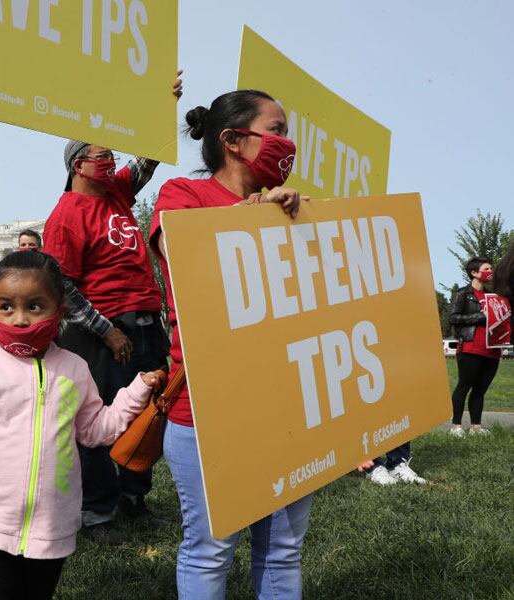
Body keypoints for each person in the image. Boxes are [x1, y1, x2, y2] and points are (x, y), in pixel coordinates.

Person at [150, 90, 312, 599]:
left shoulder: (289, 209)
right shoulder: (183, 194)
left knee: (282, 548)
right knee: (211, 549)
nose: (287, 143)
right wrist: (246, 220)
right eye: (277, 130)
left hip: (285, 404)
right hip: (208, 407)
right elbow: (180, 252)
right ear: (233, 141)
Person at [0, 251, 159, 600]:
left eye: (35, 306)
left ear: (59, 312)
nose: (20, 319)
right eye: (7, 306)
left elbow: (95, 430)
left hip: (52, 529)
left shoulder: (74, 368)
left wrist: (136, 391)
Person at [40, 74, 181, 544]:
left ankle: (133, 499)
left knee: (149, 412)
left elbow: (149, 155)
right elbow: (62, 285)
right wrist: (106, 330)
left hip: (145, 324)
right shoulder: (66, 214)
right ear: (78, 165)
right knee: (99, 421)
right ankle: (96, 512)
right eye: (102, 156)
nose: (112, 162)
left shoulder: (118, 193)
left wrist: (161, 104)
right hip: (102, 333)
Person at [449, 257, 501, 436]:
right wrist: (479, 317)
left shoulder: (492, 297)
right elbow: (453, 318)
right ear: (474, 273)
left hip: (492, 350)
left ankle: (476, 427)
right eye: (487, 269)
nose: (490, 272)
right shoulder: (463, 294)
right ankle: (456, 426)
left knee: (480, 390)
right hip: (470, 348)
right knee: (464, 387)